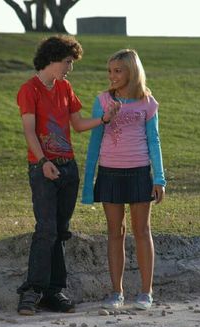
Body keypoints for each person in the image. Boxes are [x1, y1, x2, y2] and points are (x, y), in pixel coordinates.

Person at [16, 34, 118, 316]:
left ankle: (54, 292)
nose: (70, 68)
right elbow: (28, 131)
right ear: (52, 59)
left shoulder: (65, 87)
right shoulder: (29, 89)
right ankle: (32, 291)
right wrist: (43, 161)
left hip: (68, 168)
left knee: (59, 232)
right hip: (43, 168)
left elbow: (78, 124)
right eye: (67, 62)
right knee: (46, 229)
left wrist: (104, 119)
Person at [82, 49, 166, 311]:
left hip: (140, 172)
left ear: (132, 71)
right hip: (110, 173)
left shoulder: (147, 103)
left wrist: (159, 178)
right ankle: (116, 292)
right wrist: (88, 184)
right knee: (115, 232)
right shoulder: (103, 101)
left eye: (118, 71)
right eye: (110, 71)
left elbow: (154, 141)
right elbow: (94, 142)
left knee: (142, 231)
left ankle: (145, 292)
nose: (112, 76)